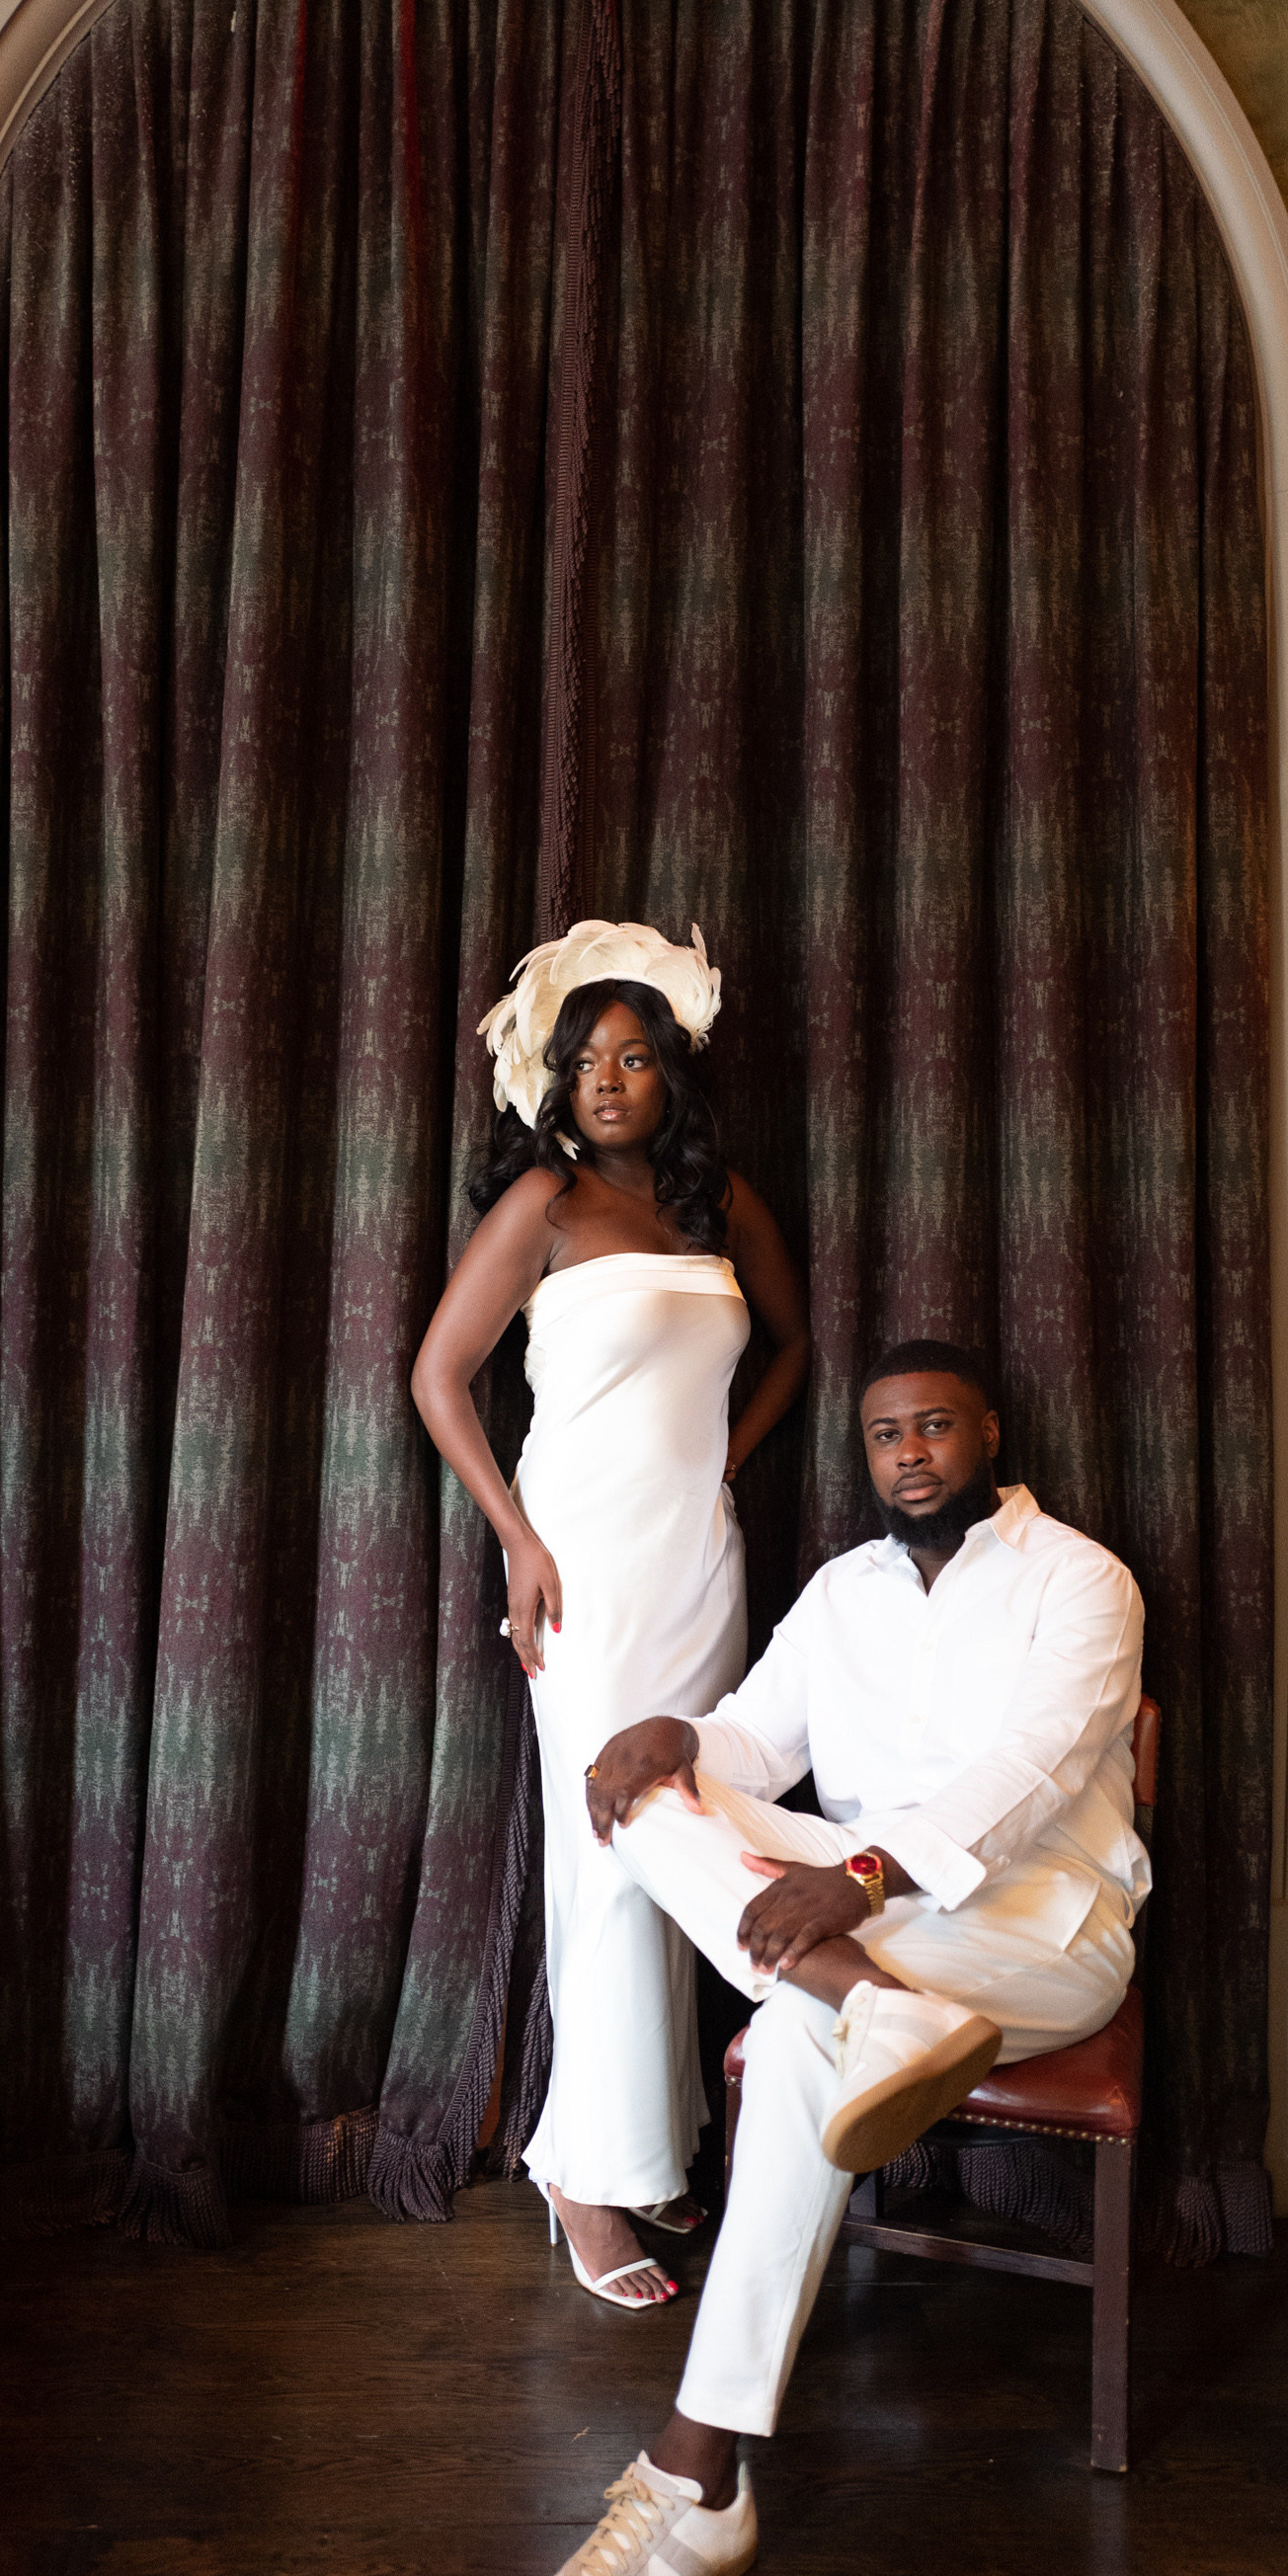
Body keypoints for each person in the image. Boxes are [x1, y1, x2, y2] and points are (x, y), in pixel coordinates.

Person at [514, 1342, 1148, 2576]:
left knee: (803, 2027)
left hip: (1042, 1925)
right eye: (883, 1435)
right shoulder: (843, 1590)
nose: (909, 1453)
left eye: (934, 1427)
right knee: (639, 1791)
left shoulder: (1080, 1578)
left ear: (988, 1432)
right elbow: (755, 1741)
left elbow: (1032, 1775)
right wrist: (674, 1742)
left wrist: (857, 1879)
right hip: (871, 1918)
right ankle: (872, 2008)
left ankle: (695, 2480)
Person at [412, 921, 809, 2312]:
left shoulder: (719, 1206)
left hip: (699, 1562)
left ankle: (651, 2146)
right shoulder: (545, 1203)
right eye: (585, 1061)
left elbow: (793, 1342)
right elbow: (439, 1380)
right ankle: (581, 2172)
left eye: (635, 1057)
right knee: (607, 1853)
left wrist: (729, 1463)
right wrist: (515, 1538)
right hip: (579, 1569)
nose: (609, 1080)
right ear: (556, 1083)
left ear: (670, 1078)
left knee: (688, 1838)